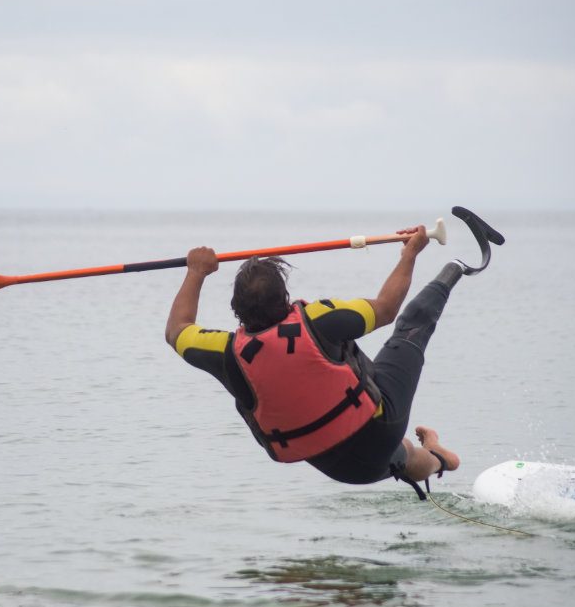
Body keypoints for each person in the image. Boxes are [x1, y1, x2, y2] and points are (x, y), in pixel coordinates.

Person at [164, 210, 503, 498]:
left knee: (401, 456)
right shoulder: (318, 320)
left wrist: (196, 272)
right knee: (411, 325)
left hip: (337, 466)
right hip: (377, 429)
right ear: (285, 298)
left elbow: (176, 330)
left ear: (236, 309)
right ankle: (459, 266)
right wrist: (410, 253)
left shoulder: (226, 354)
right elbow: (386, 309)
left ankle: (442, 459)